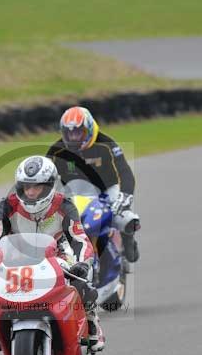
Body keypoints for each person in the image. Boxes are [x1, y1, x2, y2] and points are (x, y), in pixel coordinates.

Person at [0, 155, 105, 350]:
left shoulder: (64, 205)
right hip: (17, 257)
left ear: (50, 186)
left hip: (57, 254)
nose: (31, 192)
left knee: (80, 283)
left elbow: (80, 239)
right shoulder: (5, 207)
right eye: (26, 187)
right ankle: (10, 334)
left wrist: (82, 264)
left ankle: (91, 320)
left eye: (37, 187)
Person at [47, 106, 141, 263]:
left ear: (89, 129)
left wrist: (125, 196)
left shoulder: (107, 144)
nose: (73, 137)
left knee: (126, 218)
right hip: (72, 193)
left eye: (78, 132)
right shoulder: (56, 150)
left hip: (106, 190)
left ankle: (128, 240)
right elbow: (45, 177)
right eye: (69, 133)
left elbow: (125, 171)